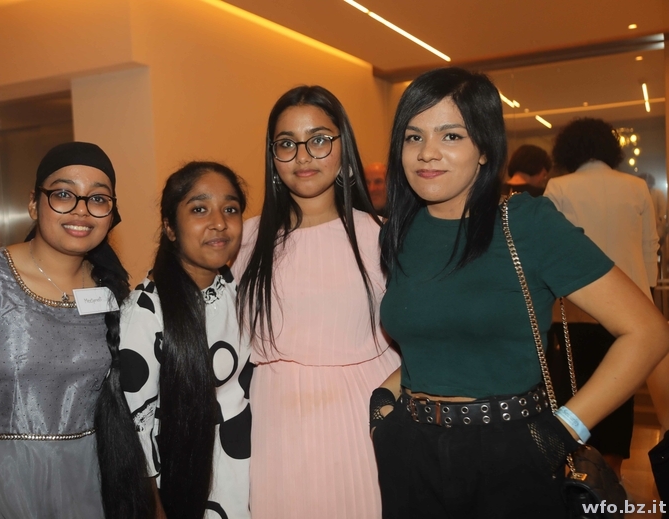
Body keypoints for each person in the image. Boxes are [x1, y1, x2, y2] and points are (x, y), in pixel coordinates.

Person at [371, 67, 669, 518]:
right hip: (411, 453)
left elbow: (647, 331)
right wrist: (383, 401)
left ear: (485, 150)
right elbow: (435, 340)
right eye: (414, 137)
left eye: (451, 136)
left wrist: (564, 429)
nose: (427, 152)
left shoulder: (526, 223)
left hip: (511, 452)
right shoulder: (400, 233)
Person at [0, 142, 154, 518]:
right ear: (33, 204)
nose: (81, 210)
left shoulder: (110, 292)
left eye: (98, 199)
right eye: (63, 194)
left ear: (111, 213)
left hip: (85, 486)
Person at [234, 85, 400, 518]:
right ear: (273, 157)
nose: (303, 156)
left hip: (364, 420)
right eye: (286, 143)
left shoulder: (383, 237)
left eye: (319, 140)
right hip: (276, 426)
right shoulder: (244, 241)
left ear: (344, 148)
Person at [118, 162, 251, 519]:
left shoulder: (239, 291)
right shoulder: (146, 311)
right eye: (199, 209)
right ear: (170, 228)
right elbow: (136, 432)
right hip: (191, 492)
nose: (219, 222)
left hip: (251, 478)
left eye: (230, 209)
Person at [544, 117, 660, 478]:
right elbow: (650, 247)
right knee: (621, 392)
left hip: (574, 309)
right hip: (629, 311)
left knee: (576, 388)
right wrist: (647, 302)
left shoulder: (559, 187)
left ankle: (579, 470)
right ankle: (612, 472)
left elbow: (547, 253)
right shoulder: (636, 187)